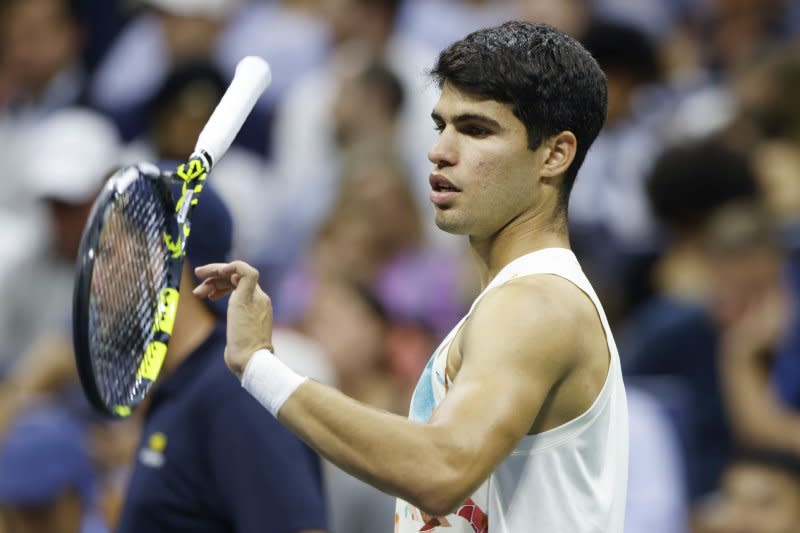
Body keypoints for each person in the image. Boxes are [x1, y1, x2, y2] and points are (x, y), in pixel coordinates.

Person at [195, 22, 628, 532]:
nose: (440, 150)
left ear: (554, 155)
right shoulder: (516, 300)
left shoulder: (536, 302)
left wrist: (259, 366)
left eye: (476, 130)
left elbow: (440, 470)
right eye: (441, 125)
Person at [115, 184, 327, 533]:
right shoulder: (186, 387)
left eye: (110, 252)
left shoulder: (234, 395)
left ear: (161, 255)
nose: (96, 279)